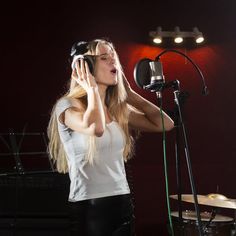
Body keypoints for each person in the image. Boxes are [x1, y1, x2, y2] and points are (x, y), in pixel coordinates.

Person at [47, 38, 174, 236]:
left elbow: (165, 124)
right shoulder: (68, 106)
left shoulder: (116, 110)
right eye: (104, 58)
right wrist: (91, 89)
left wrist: (130, 95)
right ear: (86, 66)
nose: (113, 62)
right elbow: (95, 127)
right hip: (91, 207)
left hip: (122, 202)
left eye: (114, 57)